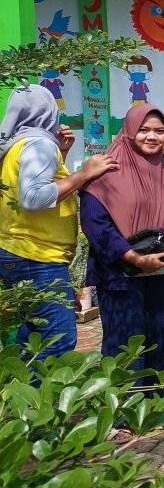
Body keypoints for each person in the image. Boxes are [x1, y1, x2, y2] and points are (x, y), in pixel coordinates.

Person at [81, 107, 164, 403]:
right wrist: (134, 258)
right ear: (130, 130)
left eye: (159, 131)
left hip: (162, 270)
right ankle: (123, 409)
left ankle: (163, 404)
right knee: (126, 340)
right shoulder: (104, 170)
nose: (152, 137)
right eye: (144, 130)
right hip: (121, 273)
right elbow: (95, 224)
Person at [0, 85, 117, 359]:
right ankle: (40, 398)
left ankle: (20, 395)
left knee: (32, 336)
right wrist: (83, 174)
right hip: (36, 256)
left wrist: (61, 156)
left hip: (20, 251)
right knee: (57, 339)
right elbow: (33, 197)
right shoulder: (38, 144)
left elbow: (32, 187)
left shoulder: (17, 144)